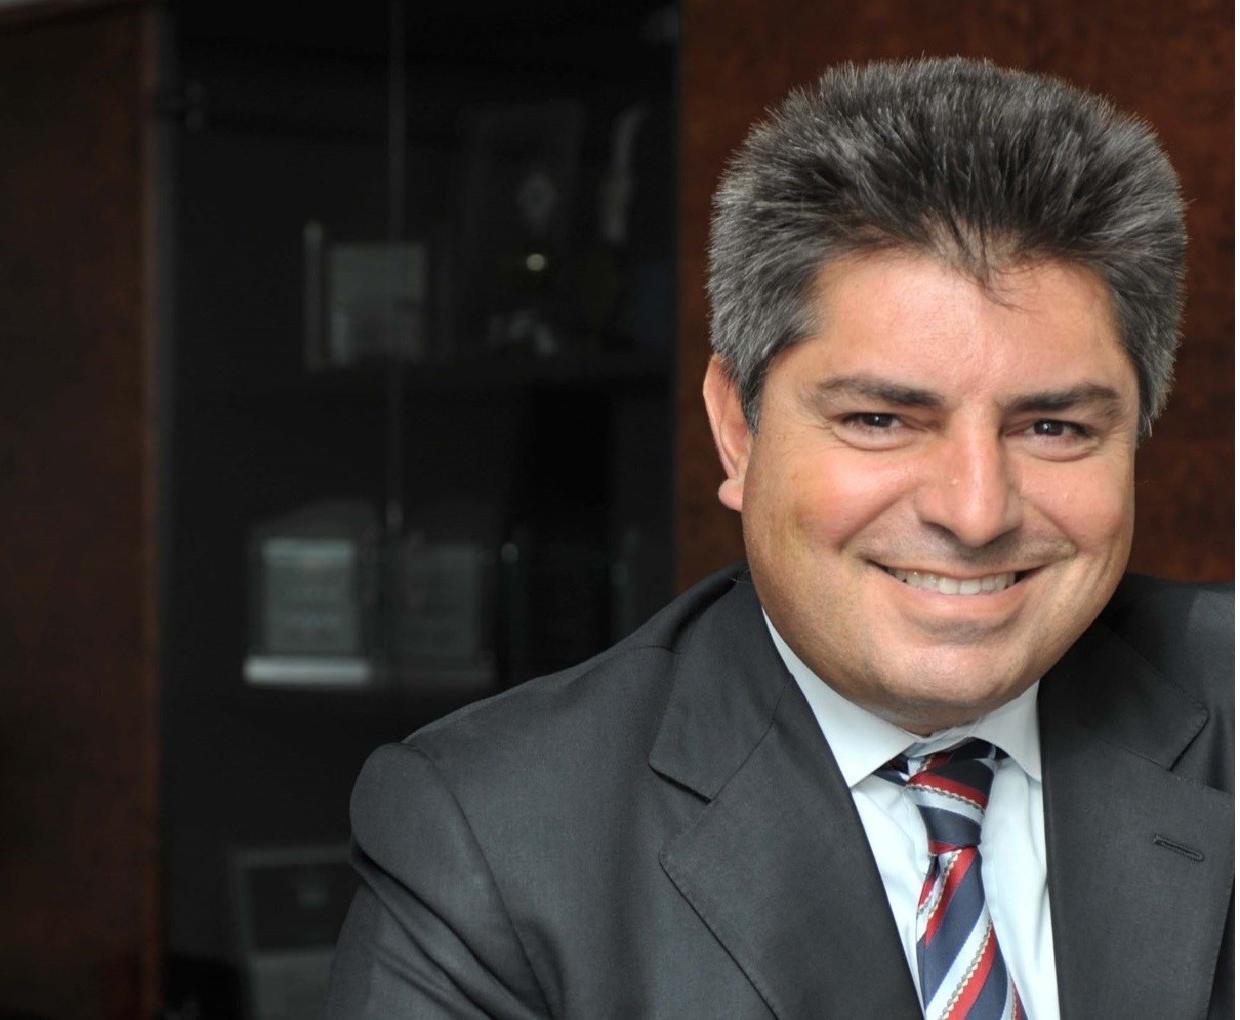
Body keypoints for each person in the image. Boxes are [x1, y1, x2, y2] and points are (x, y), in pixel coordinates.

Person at [324, 57, 1233, 1019]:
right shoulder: (490, 839)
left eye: (1053, 427)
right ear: (737, 429)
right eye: (880, 419)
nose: (976, 513)